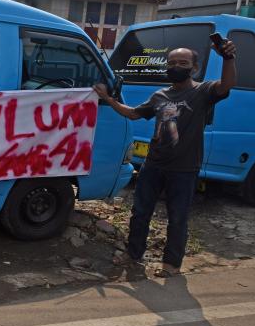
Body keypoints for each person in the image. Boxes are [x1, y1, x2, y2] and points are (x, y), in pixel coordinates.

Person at [94, 38, 237, 277]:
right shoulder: (159, 95)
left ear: (194, 68)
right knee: (140, 212)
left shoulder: (203, 91)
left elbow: (227, 85)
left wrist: (228, 58)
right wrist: (108, 99)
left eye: (182, 62)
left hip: (184, 168)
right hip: (153, 165)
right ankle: (133, 254)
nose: (176, 66)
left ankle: (171, 265)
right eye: (171, 62)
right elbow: (134, 114)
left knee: (178, 218)